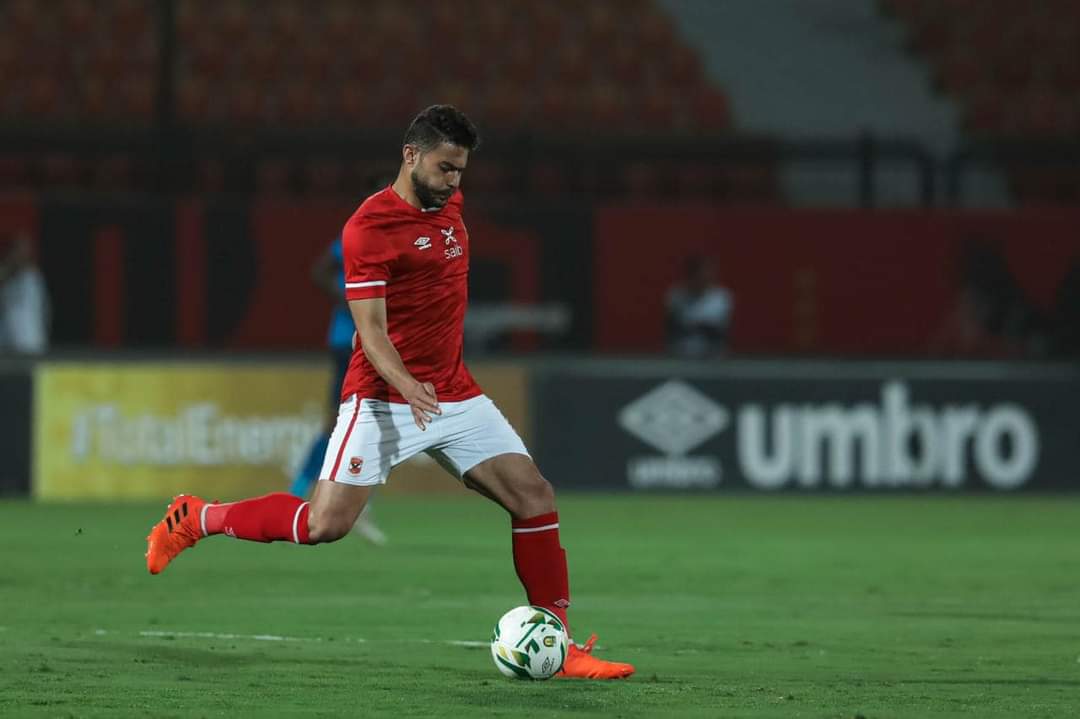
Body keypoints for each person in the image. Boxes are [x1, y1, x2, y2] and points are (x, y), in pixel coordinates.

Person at [145, 105, 634, 680]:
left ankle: (561, 642)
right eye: (445, 167)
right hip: (381, 398)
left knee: (534, 496)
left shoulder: (449, 204)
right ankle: (197, 517)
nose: (454, 181)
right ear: (410, 155)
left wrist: (433, 387)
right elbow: (370, 332)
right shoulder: (368, 230)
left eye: (461, 170)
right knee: (324, 524)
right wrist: (407, 385)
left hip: (455, 392)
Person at [288, 232, 388, 546]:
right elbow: (320, 270)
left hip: (382, 342)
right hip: (349, 342)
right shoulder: (359, 234)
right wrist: (348, 298)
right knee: (339, 422)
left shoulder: (402, 238)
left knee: (377, 424)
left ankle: (355, 503)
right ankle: (297, 493)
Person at [666, 255, 732, 357]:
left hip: (712, 357)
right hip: (680, 355)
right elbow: (672, 328)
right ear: (691, 275)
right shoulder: (676, 295)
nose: (704, 277)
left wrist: (690, 326)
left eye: (708, 273)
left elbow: (716, 331)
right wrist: (698, 327)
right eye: (700, 273)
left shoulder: (721, 297)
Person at [0, 232, 49, 355]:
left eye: (24, 251)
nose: (20, 254)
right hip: (6, 344)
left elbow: (44, 311)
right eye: (17, 250)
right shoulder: (6, 279)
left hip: (31, 342)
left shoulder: (33, 278)